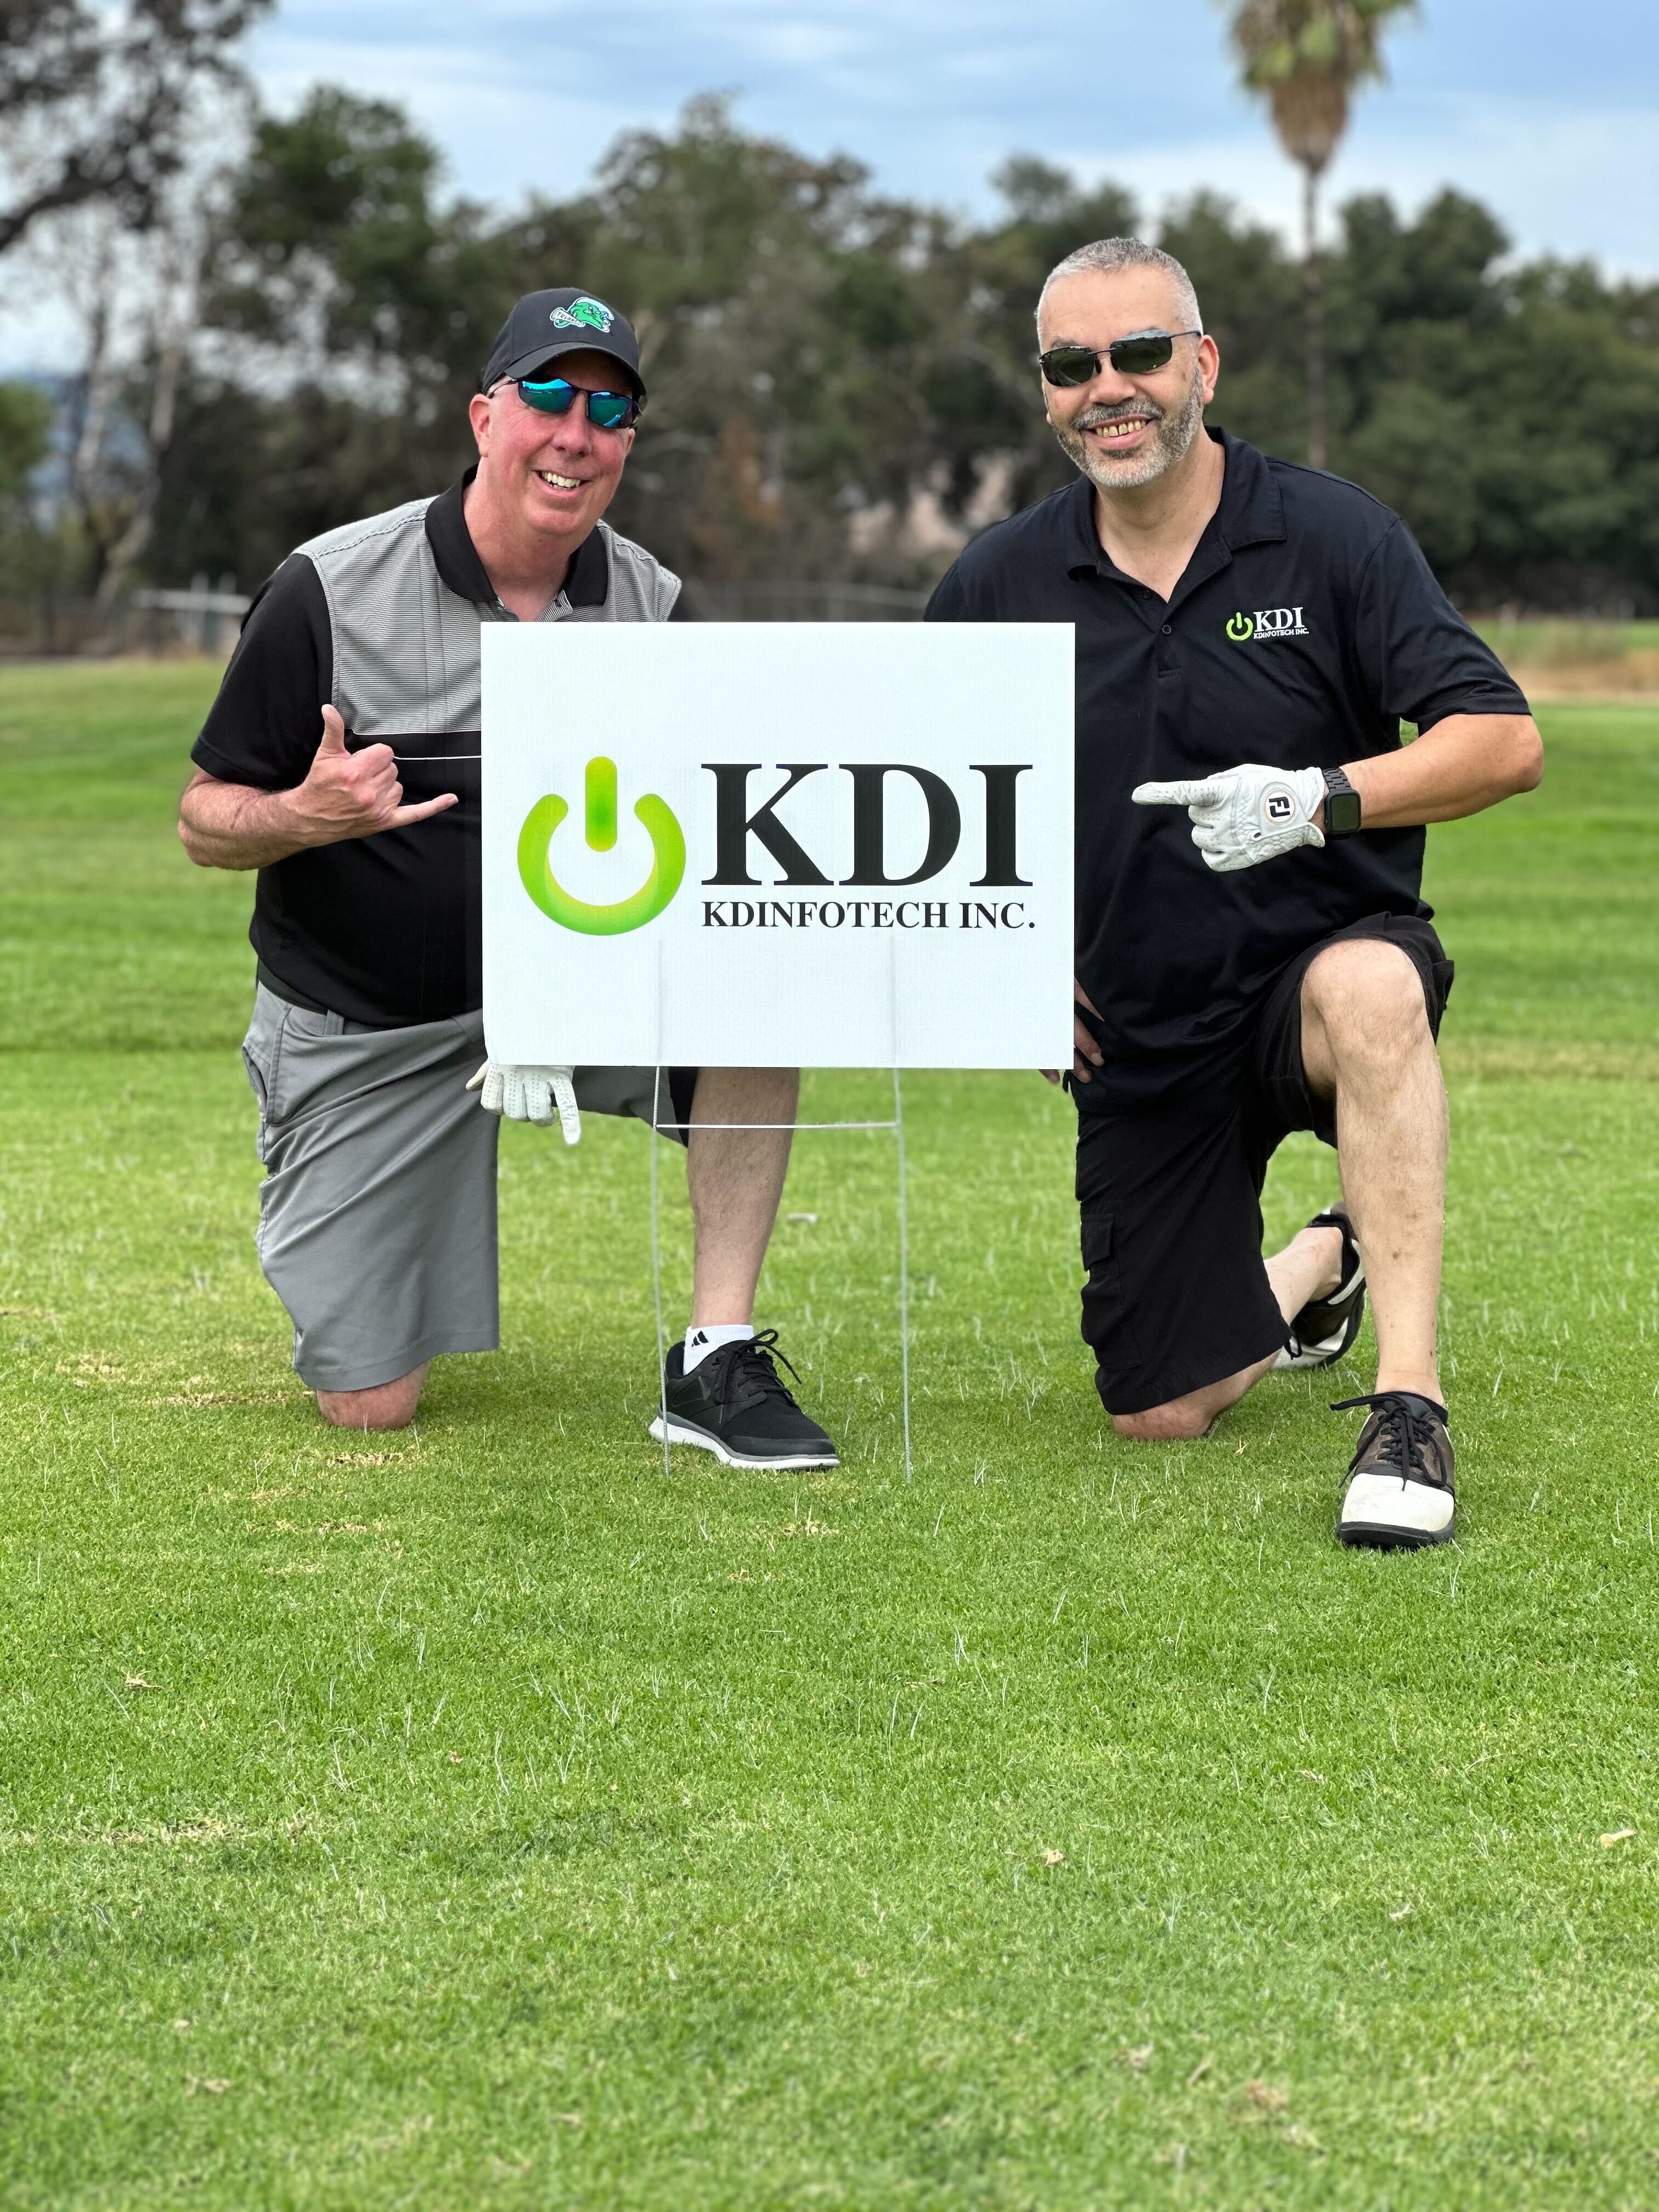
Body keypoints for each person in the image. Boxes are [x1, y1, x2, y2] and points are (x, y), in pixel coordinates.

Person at [926, 238, 1542, 1549]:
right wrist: (1001, 961)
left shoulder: (1330, 533)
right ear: (1047, 393)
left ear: (1202, 362)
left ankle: (1410, 1411)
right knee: (1162, 1408)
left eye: (1140, 353)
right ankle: (1330, 1252)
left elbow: (1502, 742)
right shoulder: (996, 580)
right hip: (1140, 1031)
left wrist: (1318, 798)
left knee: (1372, 987)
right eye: (1072, 365)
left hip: (1315, 983)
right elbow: (920, 801)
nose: (1109, 388)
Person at [179, 286, 839, 1469]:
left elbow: (728, 808)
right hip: (372, 1023)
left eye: (609, 411)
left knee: (758, 987)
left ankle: (716, 1357)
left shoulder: (651, 604)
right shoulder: (329, 586)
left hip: (585, 988)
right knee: (371, 1405)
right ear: (485, 416)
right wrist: (302, 815)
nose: (575, 434)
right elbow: (202, 820)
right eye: (548, 396)